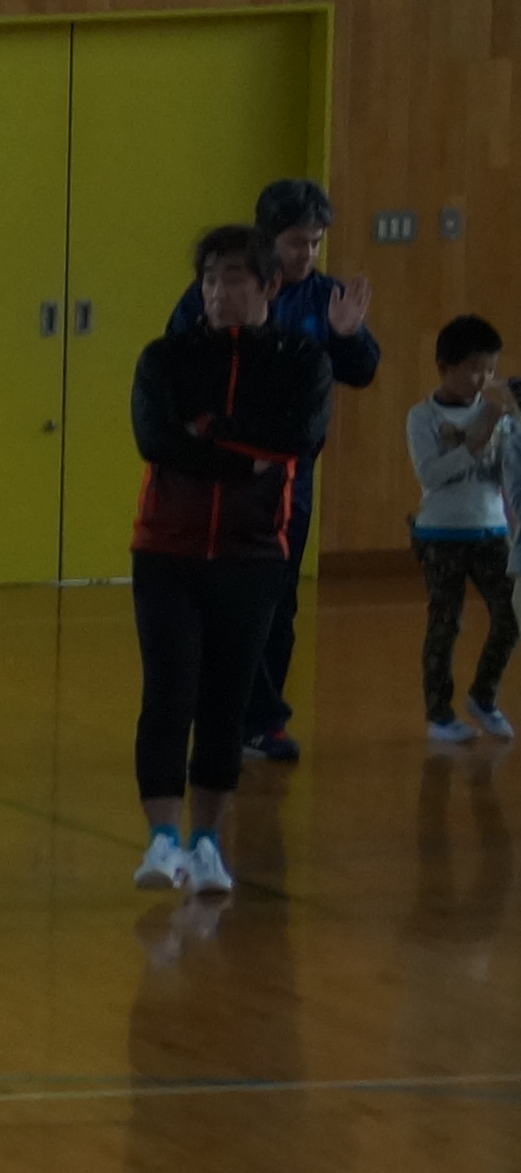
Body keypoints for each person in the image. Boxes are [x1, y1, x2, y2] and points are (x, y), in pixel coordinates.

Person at [126, 227, 326, 900]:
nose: (218, 291)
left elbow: (298, 438)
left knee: (226, 702)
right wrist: (243, 457)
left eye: (234, 277)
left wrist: (209, 432)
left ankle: (208, 842)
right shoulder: (166, 357)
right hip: (167, 549)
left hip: (252, 553)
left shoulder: (300, 360)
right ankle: (162, 837)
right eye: (209, 278)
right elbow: (156, 440)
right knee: (168, 694)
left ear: (269, 285)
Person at [165, 180, 385, 761]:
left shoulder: (326, 296)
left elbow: (361, 371)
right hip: (220, 472)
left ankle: (261, 721)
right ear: (267, 240)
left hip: (289, 482)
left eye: (315, 242)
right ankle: (217, 713)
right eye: (295, 242)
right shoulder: (220, 291)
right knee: (215, 598)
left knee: (276, 600)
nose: (307, 253)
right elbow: (177, 362)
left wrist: (347, 336)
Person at [420, 316, 520, 746]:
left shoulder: (496, 415)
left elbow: (507, 472)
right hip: (440, 535)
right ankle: (439, 714)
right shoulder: (422, 416)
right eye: (475, 369)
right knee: (446, 622)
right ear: (445, 367)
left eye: (490, 370)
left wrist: (510, 426)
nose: (484, 379)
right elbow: (430, 474)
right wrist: (475, 441)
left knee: (511, 614)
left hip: (491, 530)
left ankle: (483, 696)